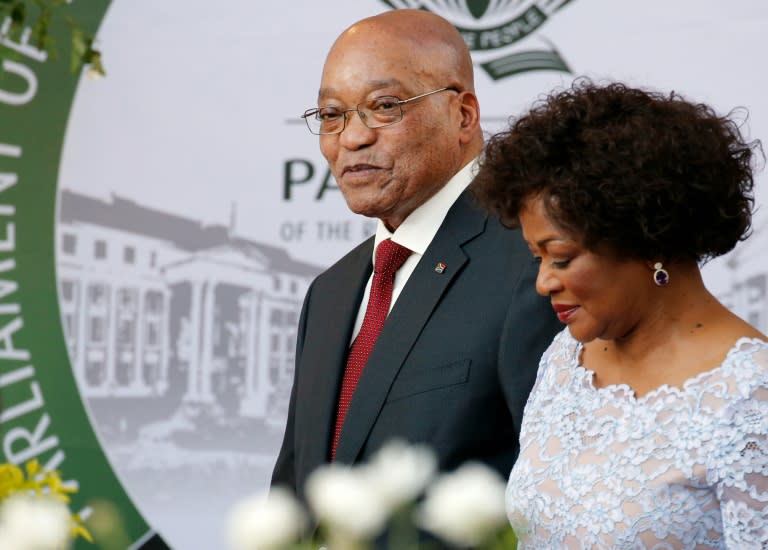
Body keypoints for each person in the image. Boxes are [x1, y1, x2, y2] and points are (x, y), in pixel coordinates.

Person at [271, 9, 561, 501]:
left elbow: (558, 494)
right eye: (331, 115)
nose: (352, 137)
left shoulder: (535, 265)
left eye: (384, 106)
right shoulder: (330, 292)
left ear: (463, 115)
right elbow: (295, 494)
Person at [472, 80, 768, 548]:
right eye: (537, 258)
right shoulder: (565, 361)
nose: (543, 282)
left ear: (648, 237)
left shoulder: (753, 395)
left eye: (562, 257)